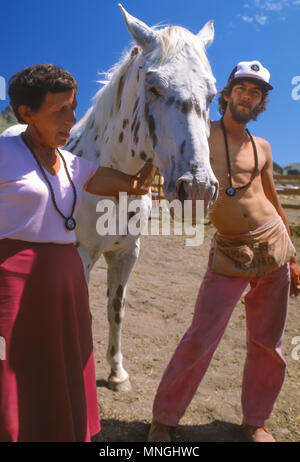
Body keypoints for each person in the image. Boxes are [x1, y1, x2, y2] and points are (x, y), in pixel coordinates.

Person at [0, 63, 156, 442]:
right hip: (12, 280)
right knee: (14, 368)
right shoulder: (3, 150)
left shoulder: (73, 163)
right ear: (26, 114)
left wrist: (159, 140)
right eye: (60, 110)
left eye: (74, 107)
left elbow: (133, 186)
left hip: (66, 279)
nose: (73, 119)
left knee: (63, 364)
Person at [148, 60, 300, 443]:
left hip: (274, 245)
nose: (248, 96)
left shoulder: (261, 147)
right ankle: (163, 420)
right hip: (230, 249)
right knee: (201, 336)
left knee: (268, 344)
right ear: (227, 93)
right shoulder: (200, 133)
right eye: (242, 88)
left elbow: (271, 199)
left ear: (261, 101)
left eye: (256, 92)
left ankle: (256, 422)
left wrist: (294, 257)